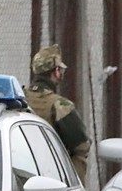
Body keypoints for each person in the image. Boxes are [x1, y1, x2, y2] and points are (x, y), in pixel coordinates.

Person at [25, 45, 91, 183]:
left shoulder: (19, 98)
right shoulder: (61, 106)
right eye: (60, 69)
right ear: (56, 72)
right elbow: (82, 146)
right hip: (51, 180)